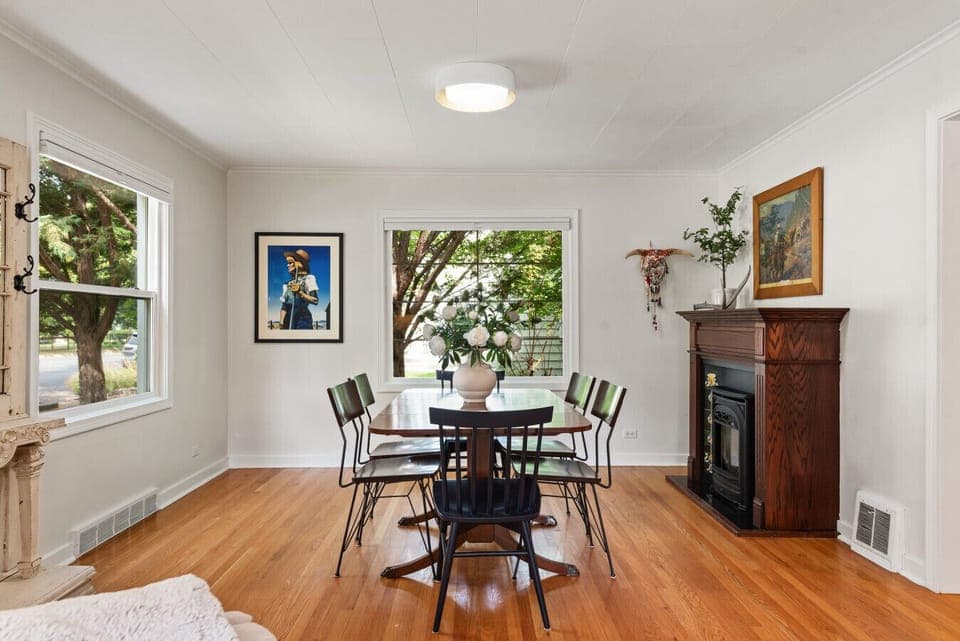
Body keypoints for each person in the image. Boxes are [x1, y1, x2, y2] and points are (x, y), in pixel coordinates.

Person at [279, 249, 319, 329]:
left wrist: (299, 292)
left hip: (302, 319)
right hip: (288, 320)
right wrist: (281, 321)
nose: (287, 265)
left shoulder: (308, 279)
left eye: (290, 263)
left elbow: (315, 300)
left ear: (299, 264)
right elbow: (284, 306)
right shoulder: (287, 284)